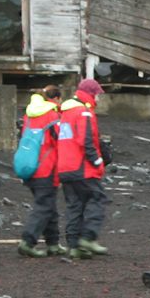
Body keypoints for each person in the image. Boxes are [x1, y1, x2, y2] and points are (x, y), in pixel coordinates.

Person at [57, 77, 110, 259]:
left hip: (64, 167)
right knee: (98, 197)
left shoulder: (65, 113)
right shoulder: (83, 113)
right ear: (91, 94)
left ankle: (73, 246)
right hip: (81, 167)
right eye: (97, 95)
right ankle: (88, 237)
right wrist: (97, 161)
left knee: (74, 204)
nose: (98, 99)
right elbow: (86, 140)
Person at [15, 84, 66, 258]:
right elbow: (61, 144)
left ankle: (53, 244)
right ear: (57, 98)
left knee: (48, 206)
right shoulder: (53, 117)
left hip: (29, 167)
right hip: (46, 169)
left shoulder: (29, 116)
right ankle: (28, 241)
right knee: (44, 207)